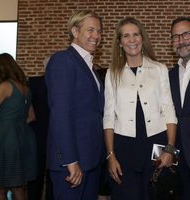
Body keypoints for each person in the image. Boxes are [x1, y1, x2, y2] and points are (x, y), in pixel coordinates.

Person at [103, 17, 177, 200]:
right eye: (126, 36)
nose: (132, 40)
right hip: (123, 146)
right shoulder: (112, 73)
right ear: (119, 42)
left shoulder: (159, 69)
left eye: (136, 34)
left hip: (156, 142)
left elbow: (169, 110)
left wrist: (170, 149)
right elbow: (108, 116)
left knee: (156, 194)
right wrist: (110, 156)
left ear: (142, 38)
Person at [45, 10, 104, 200]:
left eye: (99, 31)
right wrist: (70, 160)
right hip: (72, 164)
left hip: (90, 160)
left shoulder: (89, 66)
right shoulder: (63, 60)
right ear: (75, 31)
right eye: (90, 30)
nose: (96, 36)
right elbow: (60, 114)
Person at [0, 53, 37, 200]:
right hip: (23, 137)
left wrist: (4, 121)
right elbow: (31, 117)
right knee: (17, 186)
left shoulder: (5, 86)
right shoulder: (25, 88)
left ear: (2, 67)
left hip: (4, 139)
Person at [169, 16, 190, 200]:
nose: (181, 40)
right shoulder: (170, 75)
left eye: (186, 34)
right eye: (176, 37)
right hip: (180, 158)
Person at [27, 56, 54, 200]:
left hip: (39, 135)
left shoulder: (33, 82)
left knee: (38, 177)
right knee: (48, 176)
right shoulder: (35, 82)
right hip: (48, 136)